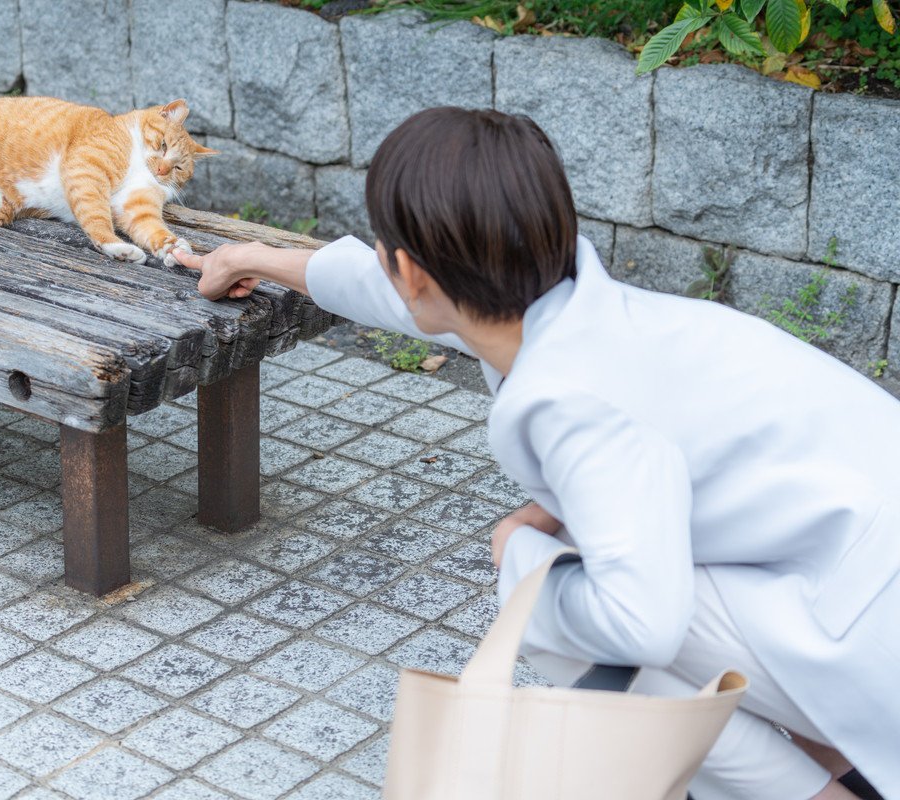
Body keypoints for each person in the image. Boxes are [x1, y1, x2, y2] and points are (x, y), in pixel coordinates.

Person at [172, 106, 900, 799]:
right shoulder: (572, 309)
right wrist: (253, 257)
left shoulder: (567, 399)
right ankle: (838, 758)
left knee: (551, 611)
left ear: (414, 270)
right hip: (860, 576)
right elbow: (405, 296)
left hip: (872, 634)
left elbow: (644, 621)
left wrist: (518, 554)